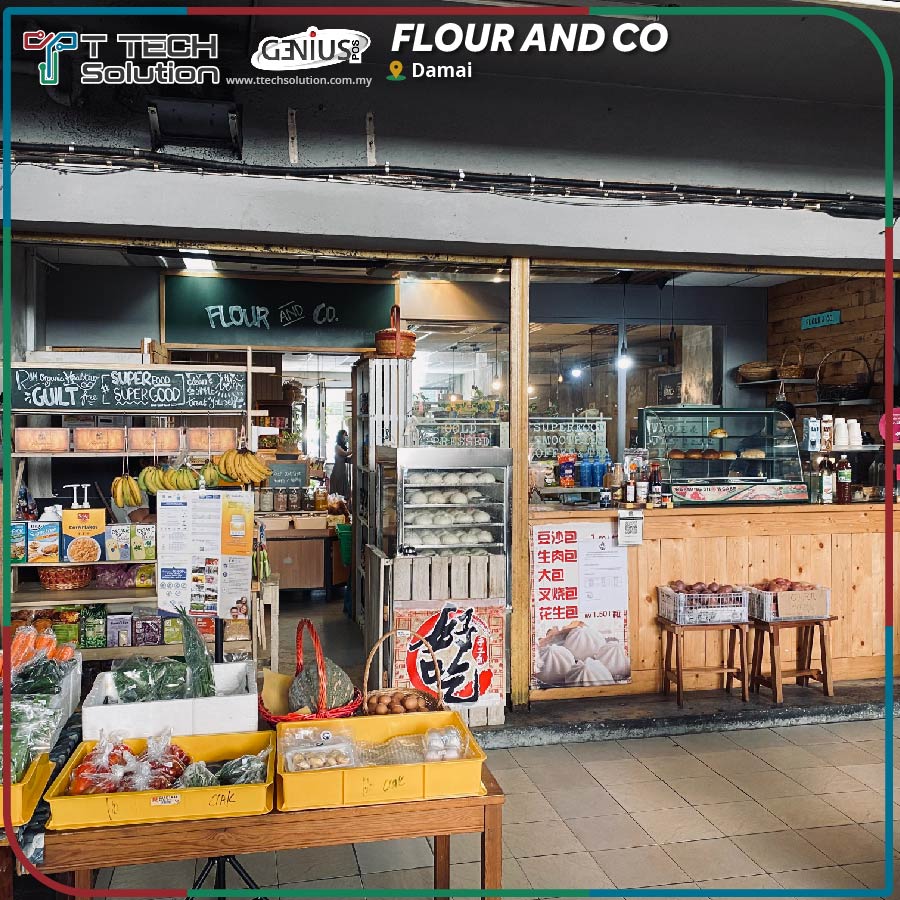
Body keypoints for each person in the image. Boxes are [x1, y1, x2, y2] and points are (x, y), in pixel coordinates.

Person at [330, 429, 352, 500]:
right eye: (345, 435)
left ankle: (342, 504)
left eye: (347, 435)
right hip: (337, 472)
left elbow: (346, 458)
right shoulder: (337, 447)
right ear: (341, 436)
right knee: (338, 491)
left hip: (342, 471)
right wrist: (354, 450)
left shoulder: (342, 447)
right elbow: (345, 454)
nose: (346, 437)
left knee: (343, 492)